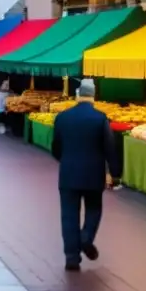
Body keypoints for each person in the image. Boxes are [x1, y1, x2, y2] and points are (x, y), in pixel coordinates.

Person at [51, 79, 120, 271]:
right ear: (94, 97)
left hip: (68, 174)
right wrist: (114, 173)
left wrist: (66, 161)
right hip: (93, 174)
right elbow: (110, 148)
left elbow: (56, 147)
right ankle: (85, 238)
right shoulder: (100, 119)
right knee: (93, 209)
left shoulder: (62, 117)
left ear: (78, 95)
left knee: (68, 215)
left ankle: (71, 257)